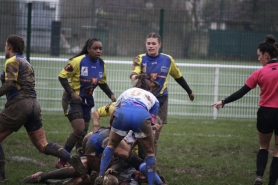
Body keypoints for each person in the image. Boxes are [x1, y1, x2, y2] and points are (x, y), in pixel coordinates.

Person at [0, 35, 87, 182]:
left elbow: (10, 84)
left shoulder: (11, 61)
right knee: (42, 145)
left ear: (9, 46)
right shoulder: (25, 62)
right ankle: (70, 157)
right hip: (34, 104)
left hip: (19, 104)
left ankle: (1, 178)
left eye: (5, 45)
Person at [211, 35, 278, 185]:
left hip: (265, 113)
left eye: (259, 55)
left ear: (266, 55)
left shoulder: (259, 73)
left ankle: (259, 176)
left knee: (264, 146)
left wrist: (224, 101)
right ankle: (272, 183)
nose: (258, 59)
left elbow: (241, 92)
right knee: (277, 151)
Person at [130, 32, 194, 156]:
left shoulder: (167, 60)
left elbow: (178, 77)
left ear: (160, 45)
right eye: (148, 43)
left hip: (161, 101)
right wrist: (134, 76)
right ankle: (137, 162)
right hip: (143, 101)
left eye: (154, 43)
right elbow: (135, 71)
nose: (151, 46)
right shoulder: (140, 58)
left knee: (154, 135)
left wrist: (189, 91)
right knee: (140, 133)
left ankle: (150, 165)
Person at [57, 38, 116, 168]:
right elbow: (62, 77)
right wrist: (72, 93)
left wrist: (111, 95)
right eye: (95, 48)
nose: (98, 51)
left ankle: (81, 157)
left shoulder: (101, 64)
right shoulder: (78, 61)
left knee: (83, 132)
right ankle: (62, 160)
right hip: (72, 99)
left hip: (87, 101)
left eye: (100, 48)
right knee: (78, 129)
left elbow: (102, 83)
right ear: (88, 49)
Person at [95, 74, 160, 185]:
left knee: (111, 145)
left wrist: (112, 127)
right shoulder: (154, 99)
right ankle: (152, 183)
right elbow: (151, 124)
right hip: (141, 116)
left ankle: (100, 176)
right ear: (150, 89)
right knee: (150, 153)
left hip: (122, 115)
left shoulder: (127, 91)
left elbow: (113, 113)